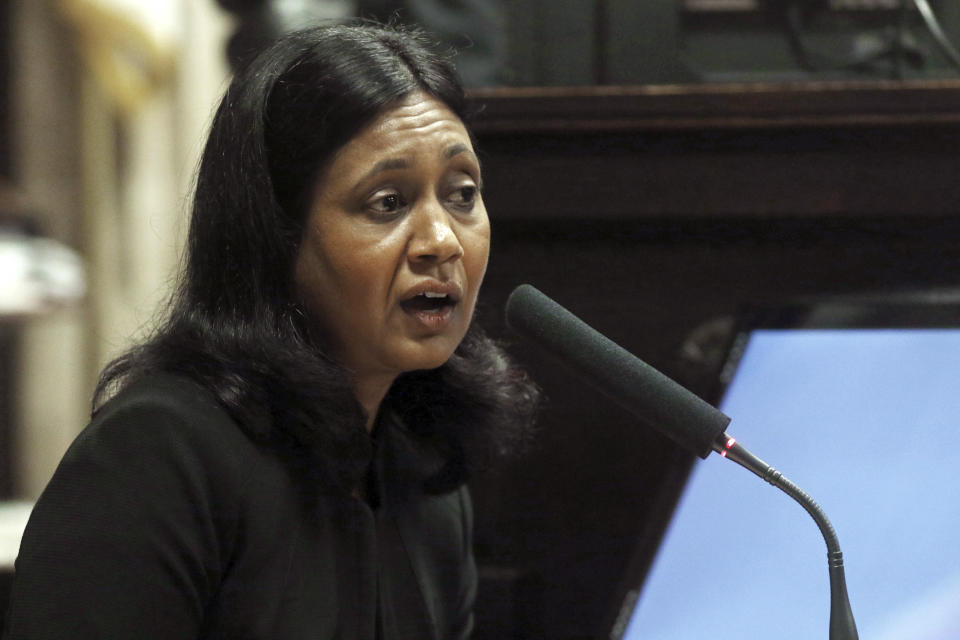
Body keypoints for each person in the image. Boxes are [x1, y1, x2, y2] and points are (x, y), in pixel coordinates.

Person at [3, 22, 538, 640]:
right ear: (275, 238)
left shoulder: (425, 468)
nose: (442, 241)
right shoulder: (157, 458)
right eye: (388, 202)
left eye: (463, 194)